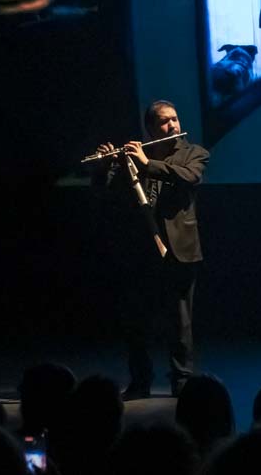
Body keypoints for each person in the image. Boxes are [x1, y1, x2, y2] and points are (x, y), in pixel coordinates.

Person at [91, 100, 210, 399]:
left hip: (179, 250)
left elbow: (189, 177)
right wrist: (104, 167)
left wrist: (147, 164)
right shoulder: (133, 156)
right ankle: (140, 381)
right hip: (141, 252)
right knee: (136, 320)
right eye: (164, 122)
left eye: (175, 119)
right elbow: (106, 193)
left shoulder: (194, 153)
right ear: (150, 128)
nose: (173, 126)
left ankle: (182, 381)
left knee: (180, 321)